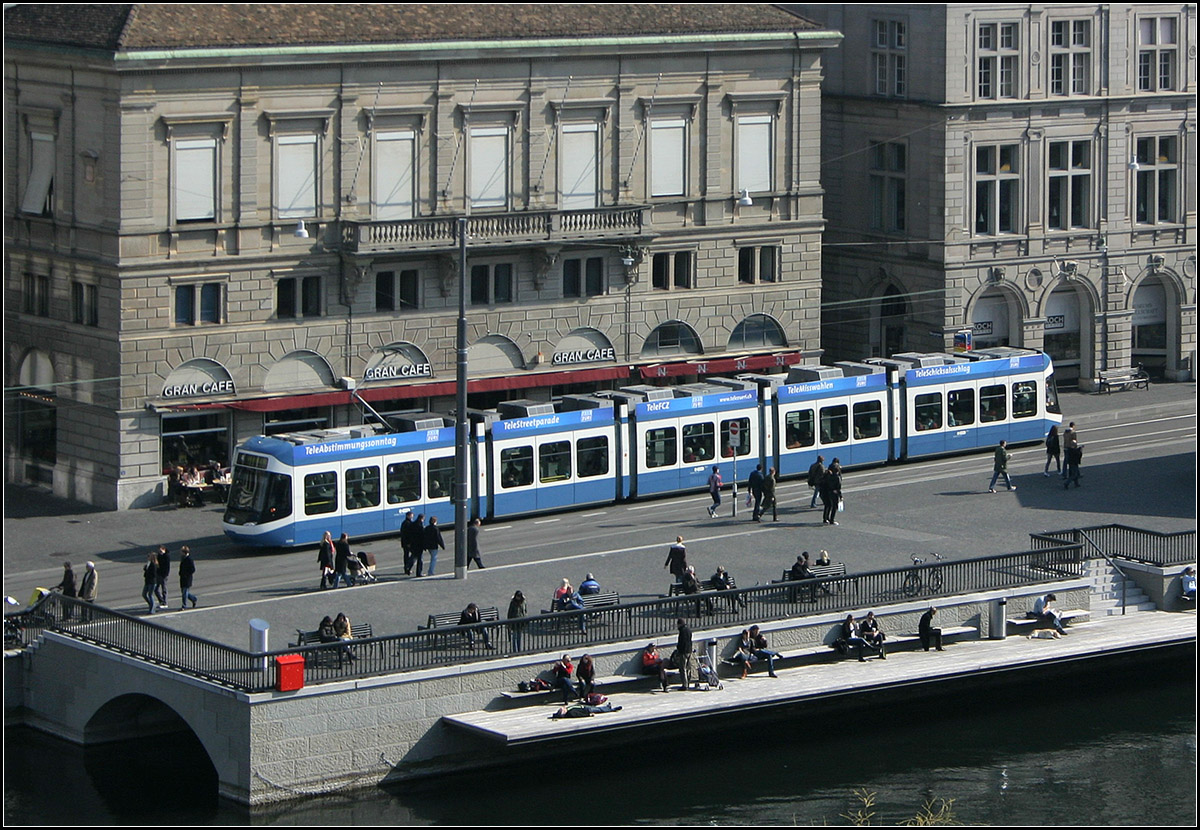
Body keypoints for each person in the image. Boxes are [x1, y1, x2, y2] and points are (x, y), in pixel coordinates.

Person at [675, 618, 696, 691]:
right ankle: (688, 681)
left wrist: (679, 649)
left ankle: (685, 684)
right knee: (688, 667)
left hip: (683, 652)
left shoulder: (682, 631)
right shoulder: (688, 630)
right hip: (689, 650)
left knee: (682, 668)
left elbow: (681, 642)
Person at [820, 459, 843, 525]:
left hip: (827, 492)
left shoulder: (828, 476)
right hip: (833, 493)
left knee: (828, 505)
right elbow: (838, 488)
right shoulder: (837, 478)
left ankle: (825, 518)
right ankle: (831, 520)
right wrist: (841, 496)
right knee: (834, 506)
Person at [178, 545, 198, 610]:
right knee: (184, 592)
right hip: (182, 578)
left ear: (184, 552)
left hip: (187, 578)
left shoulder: (189, 559)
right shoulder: (183, 558)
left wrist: (186, 574)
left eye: (181, 551)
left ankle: (184, 605)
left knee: (184, 592)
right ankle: (193, 598)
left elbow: (192, 569)